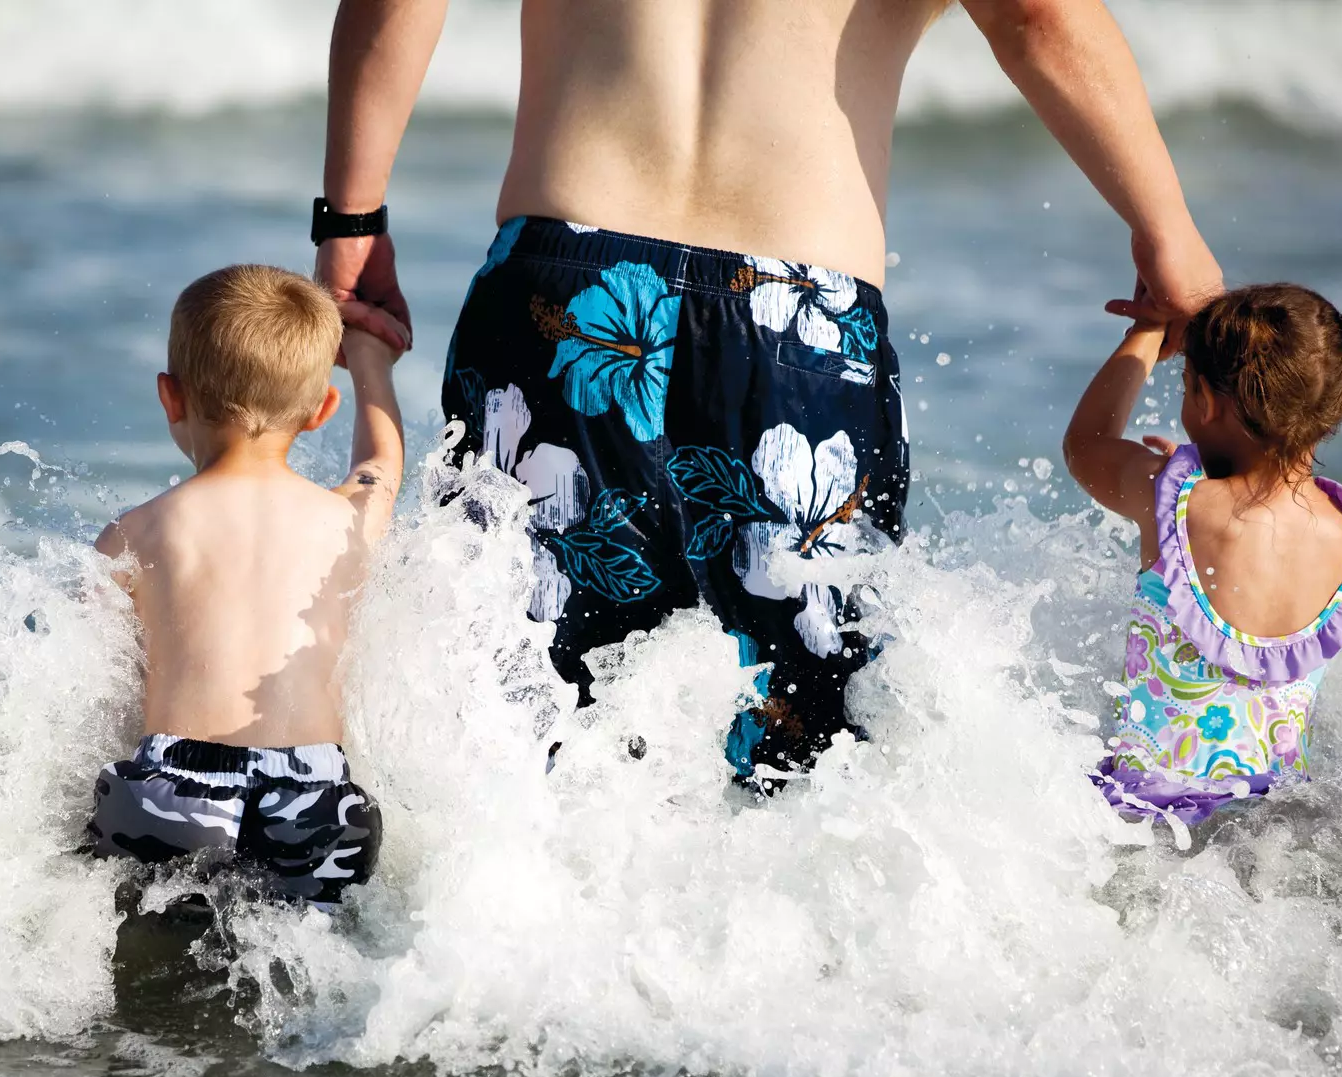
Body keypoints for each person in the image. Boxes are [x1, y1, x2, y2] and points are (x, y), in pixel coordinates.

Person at [316, 0, 1223, 782]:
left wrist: (352, 218)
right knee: (801, 753)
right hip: (802, 323)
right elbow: (1037, 17)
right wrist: (1165, 228)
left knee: (518, 712)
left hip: (564, 285)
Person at [86, 264, 409, 908]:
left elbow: (99, 680)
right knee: (310, 951)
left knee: (142, 932)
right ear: (321, 410)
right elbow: (382, 464)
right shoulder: (348, 519)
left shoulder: (133, 533)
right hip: (314, 794)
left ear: (169, 397)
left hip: (171, 784)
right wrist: (372, 357)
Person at [1062, 283, 1342, 826]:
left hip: (1146, 818)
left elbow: (1086, 443)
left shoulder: (1169, 497)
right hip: (1276, 825)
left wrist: (1147, 330)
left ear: (1207, 400)